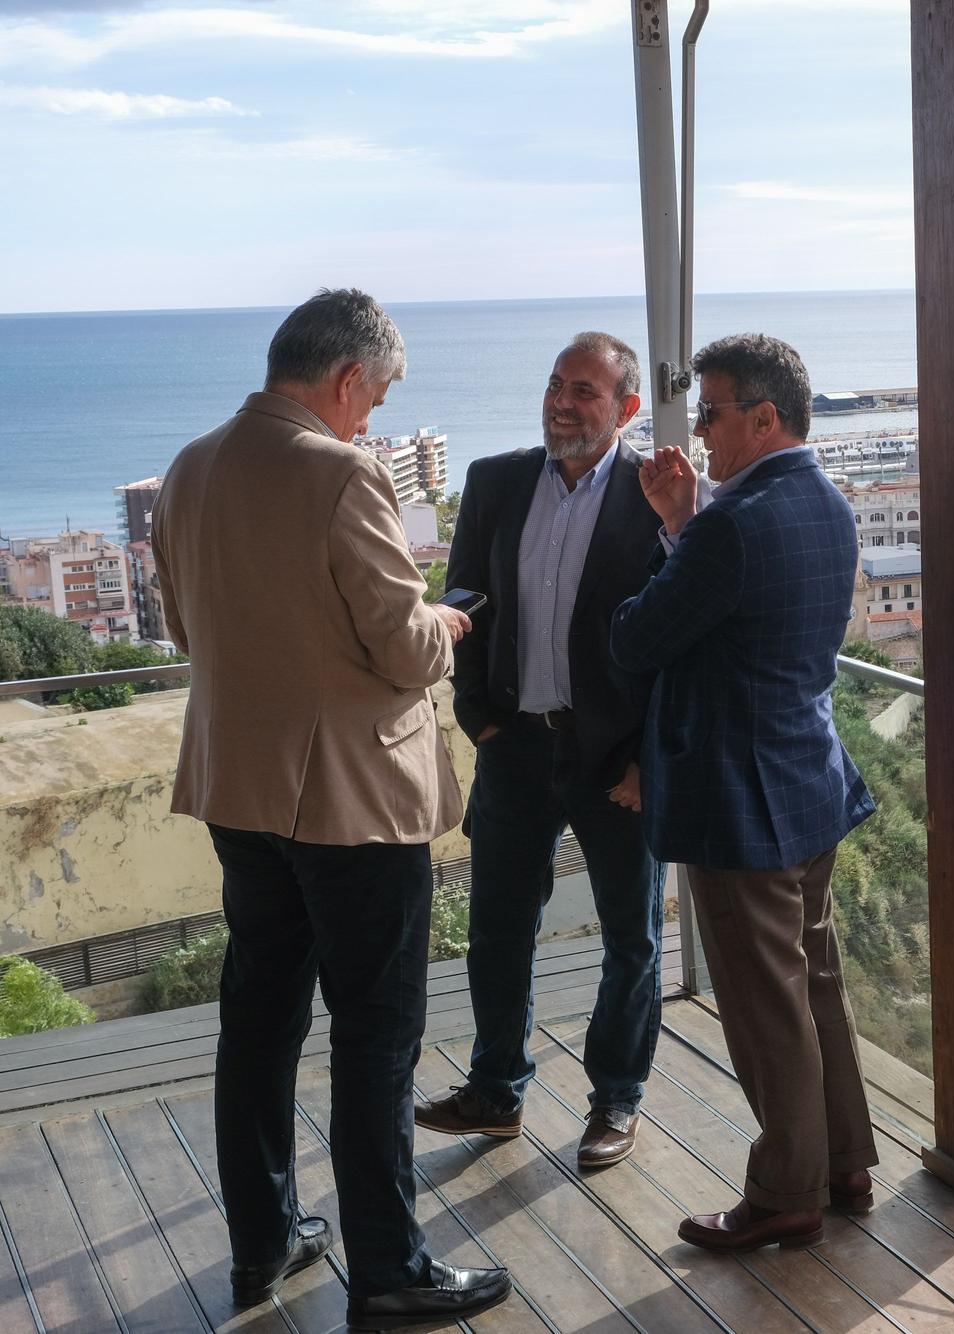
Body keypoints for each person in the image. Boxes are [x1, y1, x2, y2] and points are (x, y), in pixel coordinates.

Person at [152, 288, 512, 1329]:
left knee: (257, 1021)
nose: (375, 417)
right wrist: (448, 618)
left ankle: (264, 1238)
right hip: (352, 800)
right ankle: (391, 1268)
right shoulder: (341, 470)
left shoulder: (189, 466)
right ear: (348, 378)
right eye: (380, 393)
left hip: (240, 787)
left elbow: (183, 627)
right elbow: (403, 651)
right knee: (375, 1033)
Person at [610, 333, 879, 1253]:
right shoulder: (829, 506)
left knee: (767, 1008)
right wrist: (693, 523)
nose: (699, 433)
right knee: (816, 984)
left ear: (765, 418)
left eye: (714, 413)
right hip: (809, 781)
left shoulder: (729, 523)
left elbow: (639, 639)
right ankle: (846, 1164)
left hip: (738, 798)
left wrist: (680, 530)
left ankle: (786, 1194)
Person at [416, 333, 677, 1168]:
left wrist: (650, 759)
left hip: (617, 764)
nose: (562, 402)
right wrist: (477, 715)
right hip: (516, 748)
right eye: (556, 384)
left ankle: (616, 1101)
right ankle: (496, 1090)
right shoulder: (494, 483)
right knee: (496, 928)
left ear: (627, 409)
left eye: (586, 392)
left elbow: (677, 646)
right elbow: (461, 605)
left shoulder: (654, 502)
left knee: (630, 938)